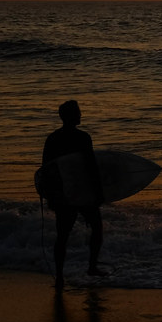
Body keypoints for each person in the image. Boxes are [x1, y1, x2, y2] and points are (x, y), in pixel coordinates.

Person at [42, 100, 106, 291]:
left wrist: (50, 194)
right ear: (70, 116)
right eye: (78, 112)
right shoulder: (83, 138)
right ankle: (92, 267)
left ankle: (60, 277)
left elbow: (46, 168)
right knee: (96, 228)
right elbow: (91, 167)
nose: (81, 114)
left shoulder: (52, 138)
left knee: (63, 235)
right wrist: (99, 192)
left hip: (63, 193)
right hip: (83, 192)